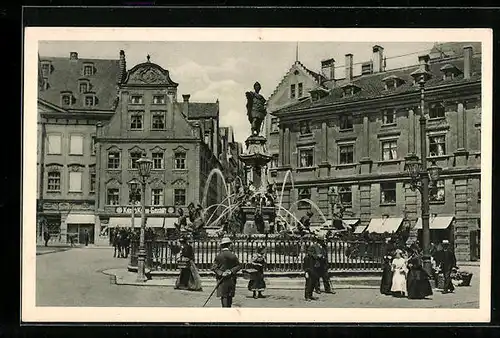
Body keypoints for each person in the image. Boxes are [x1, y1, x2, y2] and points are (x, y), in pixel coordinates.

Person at [211, 237, 241, 307]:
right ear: (229, 245)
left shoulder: (219, 256)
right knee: (229, 295)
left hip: (222, 279)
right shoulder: (233, 255)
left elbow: (214, 267)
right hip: (231, 278)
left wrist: (221, 273)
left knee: (223, 296)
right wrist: (231, 271)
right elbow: (239, 266)